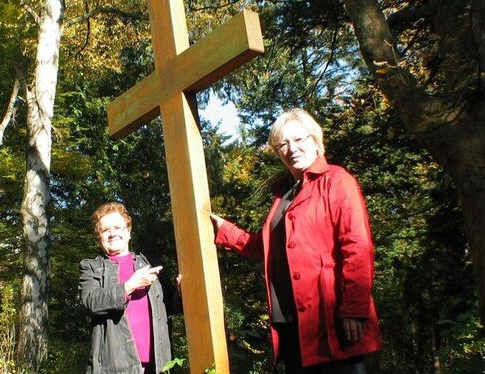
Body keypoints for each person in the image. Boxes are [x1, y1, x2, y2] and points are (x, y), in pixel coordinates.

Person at [211, 109, 382, 373]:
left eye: (299, 140)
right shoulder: (283, 195)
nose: (292, 149)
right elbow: (267, 249)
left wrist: (355, 309)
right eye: (283, 144)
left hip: (330, 322)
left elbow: (357, 248)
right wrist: (225, 230)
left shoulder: (337, 181)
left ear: (315, 141)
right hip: (292, 326)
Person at [79, 202, 182, 374]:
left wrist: (180, 293)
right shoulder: (92, 267)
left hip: (157, 366)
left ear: (128, 232)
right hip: (112, 368)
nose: (112, 234)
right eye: (105, 230)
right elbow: (90, 302)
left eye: (118, 227)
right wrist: (130, 285)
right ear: (99, 237)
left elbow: (172, 306)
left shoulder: (150, 264)